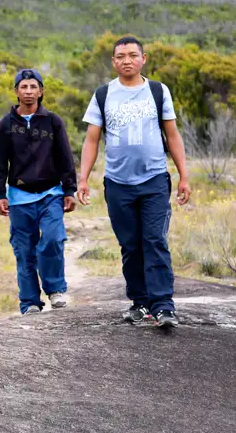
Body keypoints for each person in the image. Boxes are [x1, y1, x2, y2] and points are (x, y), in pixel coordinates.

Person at [77, 37, 191, 329]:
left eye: (132, 55)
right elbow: (91, 140)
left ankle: (163, 306)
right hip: (118, 183)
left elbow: (173, 135)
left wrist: (183, 176)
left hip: (154, 179)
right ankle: (140, 303)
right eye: (120, 56)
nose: (126, 60)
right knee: (130, 245)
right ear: (113, 62)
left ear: (144, 59)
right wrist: (83, 178)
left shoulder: (157, 91)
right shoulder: (103, 95)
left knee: (154, 240)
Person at [0, 69, 77, 315]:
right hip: (19, 197)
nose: (28, 91)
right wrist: (0, 194)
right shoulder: (5, 125)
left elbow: (64, 158)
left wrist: (69, 189)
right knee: (24, 250)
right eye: (23, 87)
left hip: (51, 194)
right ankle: (29, 302)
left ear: (41, 91)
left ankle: (56, 290)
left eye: (33, 87)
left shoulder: (53, 121)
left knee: (52, 240)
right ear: (16, 91)